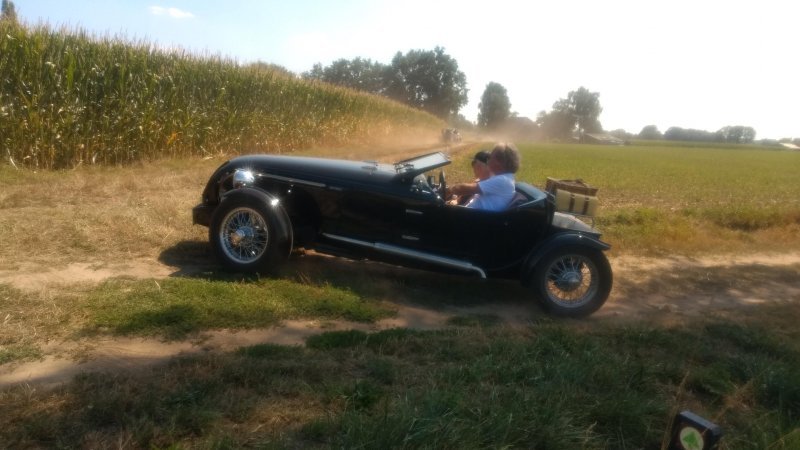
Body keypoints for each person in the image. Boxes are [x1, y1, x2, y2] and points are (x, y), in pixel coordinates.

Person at [446, 143, 520, 211]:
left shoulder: (503, 180)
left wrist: (449, 189)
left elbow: (464, 189)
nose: (488, 160)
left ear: (499, 162)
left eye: (490, 157)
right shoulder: (504, 178)